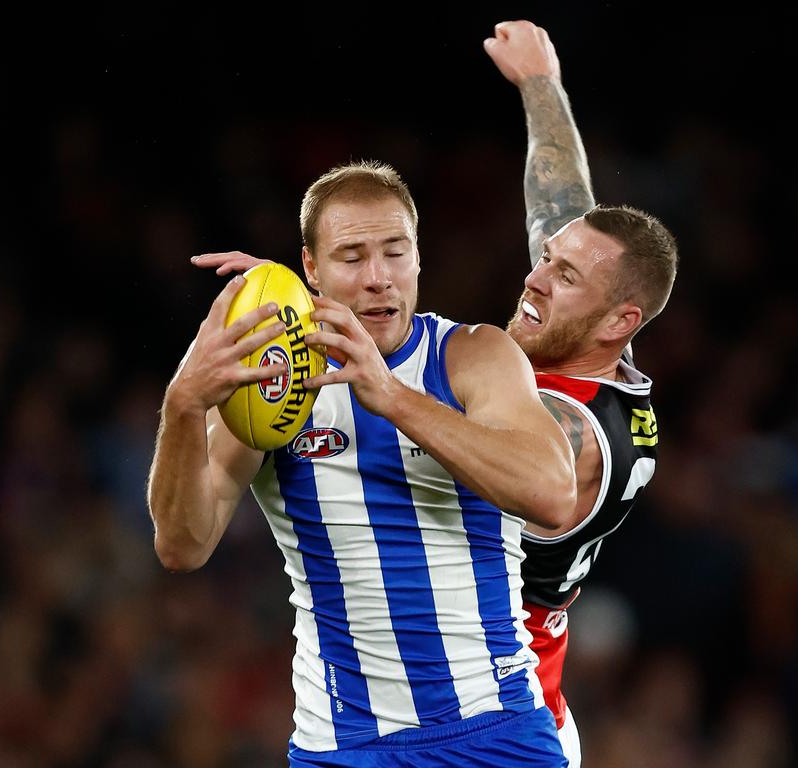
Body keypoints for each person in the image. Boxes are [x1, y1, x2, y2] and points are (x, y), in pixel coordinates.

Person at [148, 162, 579, 766]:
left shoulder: (472, 357)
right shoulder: (273, 385)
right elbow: (181, 545)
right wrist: (183, 404)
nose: (379, 279)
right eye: (351, 257)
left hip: (495, 731)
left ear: (418, 258)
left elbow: (554, 496)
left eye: (395, 253)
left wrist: (394, 398)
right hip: (343, 746)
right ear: (312, 268)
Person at [485, 20, 679, 767]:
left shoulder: (567, 429)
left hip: (507, 717)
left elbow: (426, 434)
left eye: (562, 275)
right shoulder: (593, 337)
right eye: (549, 262)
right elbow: (560, 197)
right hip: (507, 693)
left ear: (619, 318)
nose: (534, 276)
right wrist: (541, 82)